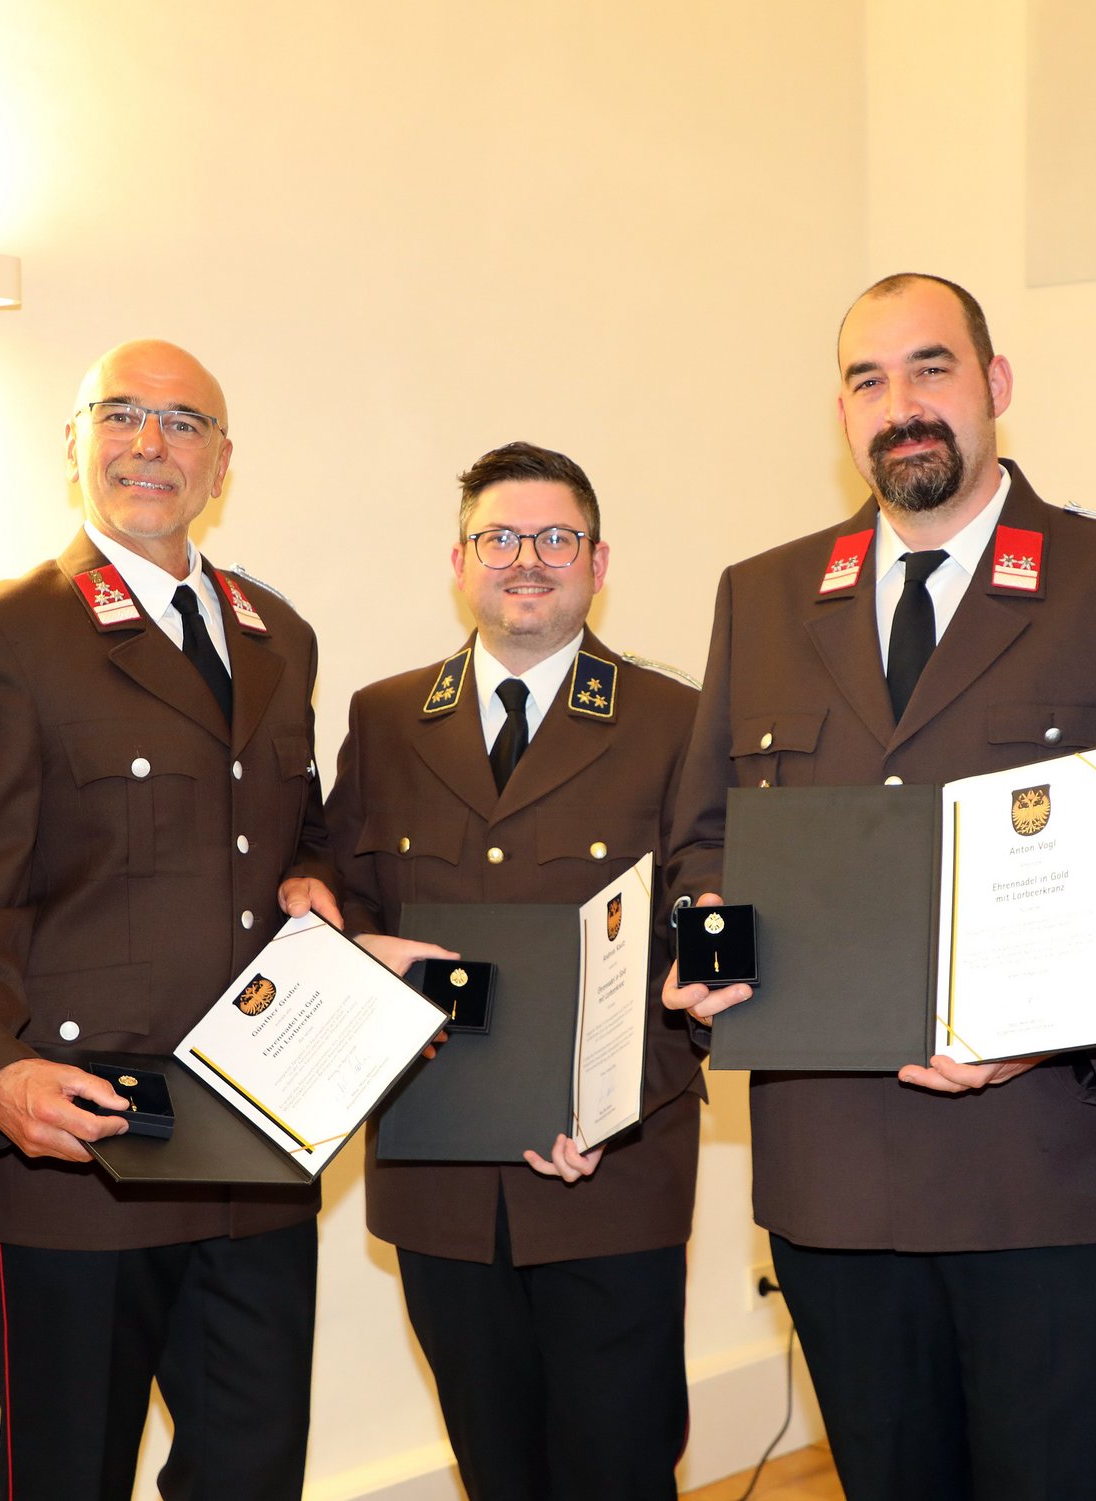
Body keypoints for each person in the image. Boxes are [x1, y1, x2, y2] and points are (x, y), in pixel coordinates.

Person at [662, 273, 1096, 1499]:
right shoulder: (762, 595)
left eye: (930, 368)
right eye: (866, 380)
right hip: (834, 1185)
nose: (899, 404)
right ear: (840, 412)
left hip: (1051, 1176)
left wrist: (1051, 1022)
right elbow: (705, 844)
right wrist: (707, 959)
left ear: (993, 383)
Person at [0, 339, 358, 1501]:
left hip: (252, 1133)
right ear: (72, 445)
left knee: (251, 1471)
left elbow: (293, 821)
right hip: (74, 1138)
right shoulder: (5, 633)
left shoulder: (276, 634)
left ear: (221, 461)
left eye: (182, 423)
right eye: (118, 414)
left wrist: (312, 875)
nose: (148, 444)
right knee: (69, 1474)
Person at [322, 441, 705, 1500]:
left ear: (598, 561)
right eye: (498, 537)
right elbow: (341, 899)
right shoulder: (386, 718)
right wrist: (356, 952)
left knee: (620, 1466)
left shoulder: (675, 720)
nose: (525, 559)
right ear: (459, 562)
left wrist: (613, 1101)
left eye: (554, 538)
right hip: (440, 1173)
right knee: (494, 1467)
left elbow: (703, 927)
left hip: (611, 1173)